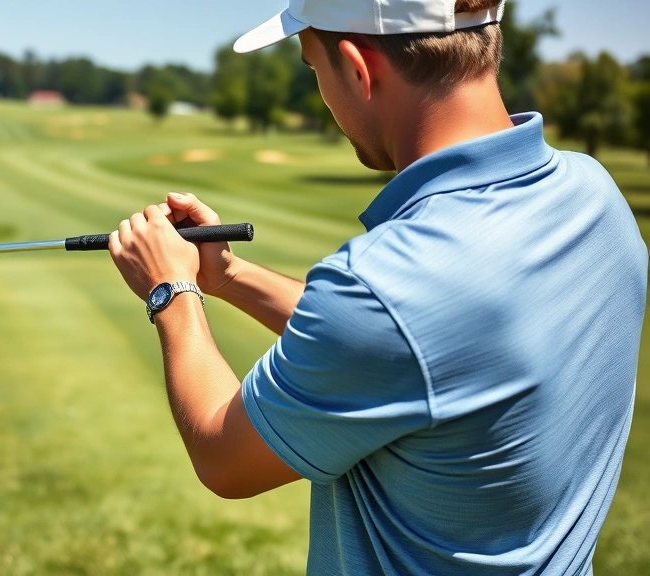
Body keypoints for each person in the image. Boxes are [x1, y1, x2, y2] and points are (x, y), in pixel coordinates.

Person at [107, 0, 648, 573]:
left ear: (358, 67)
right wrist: (229, 276)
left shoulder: (385, 287)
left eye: (312, 67)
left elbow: (224, 457)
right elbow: (418, 351)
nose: (320, 90)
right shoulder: (597, 198)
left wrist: (171, 293)